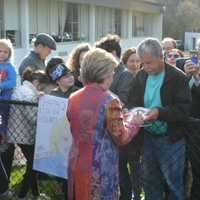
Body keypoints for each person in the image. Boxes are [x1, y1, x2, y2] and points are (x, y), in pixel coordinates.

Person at [67, 48, 144, 200]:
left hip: (77, 160)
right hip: (100, 165)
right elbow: (121, 137)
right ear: (103, 73)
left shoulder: (73, 97)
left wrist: (121, 117)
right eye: (112, 71)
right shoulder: (110, 100)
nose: (113, 75)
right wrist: (134, 122)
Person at [128, 38, 191, 200]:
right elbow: (132, 102)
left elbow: (184, 110)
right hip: (148, 137)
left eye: (149, 63)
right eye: (143, 63)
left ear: (161, 56)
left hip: (171, 139)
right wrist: (134, 113)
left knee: (174, 183)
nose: (145, 68)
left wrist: (159, 113)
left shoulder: (178, 77)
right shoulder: (140, 76)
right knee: (149, 181)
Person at [1, 68, 49, 200]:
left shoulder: (23, 89)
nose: (43, 90)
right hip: (25, 135)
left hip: (17, 133)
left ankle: (35, 193)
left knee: (32, 164)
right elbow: (33, 118)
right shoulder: (28, 94)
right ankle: (22, 195)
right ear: (36, 82)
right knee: (34, 165)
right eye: (42, 86)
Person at [48, 63, 79, 200]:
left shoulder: (78, 92)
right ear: (57, 80)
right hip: (60, 140)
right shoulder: (52, 95)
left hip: (76, 139)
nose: (70, 78)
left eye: (71, 74)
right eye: (65, 76)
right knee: (63, 173)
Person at [120, 47, 142, 200]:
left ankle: (137, 193)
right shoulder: (122, 78)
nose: (135, 64)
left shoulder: (144, 78)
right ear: (125, 62)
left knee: (136, 165)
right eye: (131, 61)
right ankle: (126, 194)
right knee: (122, 163)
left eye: (137, 61)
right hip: (123, 126)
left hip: (139, 129)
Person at [183, 38, 200, 200]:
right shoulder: (189, 66)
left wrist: (197, 79)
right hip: (189, 127)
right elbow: (181, 97)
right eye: (198, 49)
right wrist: (187, 77)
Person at [95, 34, 133, 106]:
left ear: (113, 54)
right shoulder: (104, 72)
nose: (99, 59)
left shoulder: (125, 74)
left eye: (101, 55)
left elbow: (122, 102)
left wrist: (101, 86)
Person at [0, 39, 16, 144]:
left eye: (5, 52)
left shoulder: (10, 67)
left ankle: (4, 139)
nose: (2, 54)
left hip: (5, 98)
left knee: (3, 120)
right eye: (0, 51)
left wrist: (1, 86)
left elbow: (12, 82)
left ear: (9, 53)